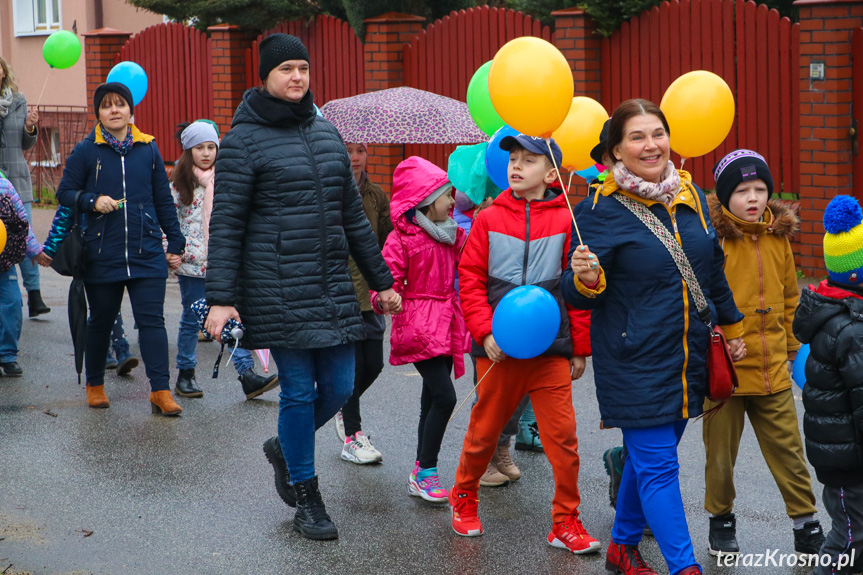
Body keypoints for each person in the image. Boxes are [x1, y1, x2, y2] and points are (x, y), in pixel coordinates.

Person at [204, 34, 399, 541]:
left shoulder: (327, 132)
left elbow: (353, 216)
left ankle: (284, 448)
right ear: (266, 75)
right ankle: (307, 496)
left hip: (331, 286)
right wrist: (222, 298)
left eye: (303, 68)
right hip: (275, 287)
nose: (297, 77)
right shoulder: (243, 141)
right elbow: (225, 224)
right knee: (297, 391)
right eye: (287, 68)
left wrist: (382, 281)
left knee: (338, 386)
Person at [561, 99, 745, 575]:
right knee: (660, 466)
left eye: (657, 134)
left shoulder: (692, 197)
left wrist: (732, 326)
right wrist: (584, 277)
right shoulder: (598, 210)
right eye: (637, 137)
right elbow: (578, 294)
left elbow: (712, 271)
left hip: (688, 355)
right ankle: (685, 568)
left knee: (647, 461)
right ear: (616, 151)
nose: (651, 145)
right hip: (633, 358)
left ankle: (622, 545)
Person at [451, 134, 598, 555]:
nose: (516, 166)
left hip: (551, 350)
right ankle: (463, 497)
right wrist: (484, 333)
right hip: (498, 349)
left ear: (552, 174)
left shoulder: (568, 220)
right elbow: (470, 280)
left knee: (563, 438)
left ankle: (565, 521)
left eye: (528, 160)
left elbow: (577, 290)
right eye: (513, 159)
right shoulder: (488, 218)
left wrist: (579, 348)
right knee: (484, 432)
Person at [702, 149, 825, 557]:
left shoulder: (778, 239)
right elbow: (700, 300)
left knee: (790, 450)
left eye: (759, 188)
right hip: (727, 372)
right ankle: (720, 519)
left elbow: (791, 297)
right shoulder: (712, 241)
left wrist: (793, 351)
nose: (752, 197)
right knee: (720, 456)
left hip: (773, 369)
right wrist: (718, 337)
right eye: (741, 190)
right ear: (725, 197)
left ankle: (805, 523)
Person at [55, 82, 185, 415]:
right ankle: (95, 385)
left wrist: (176, 239)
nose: (115, 110)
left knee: (153, 323)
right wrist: (91, 200)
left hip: (146, 251)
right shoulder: (87, 150)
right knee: (101, 321)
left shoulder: (148, 148)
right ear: (98, 113)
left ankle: (160, 391)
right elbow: (65, 192)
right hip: (102, 252)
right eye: (107, 106)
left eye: (120, 104)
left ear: (130, 110)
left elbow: (162, 199)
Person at [370, 156, 469, 502]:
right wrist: (387, 298)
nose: (453, 201)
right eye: (447, 196)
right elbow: (384, 279)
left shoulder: (451, 234)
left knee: (432, 396)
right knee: (445, 397)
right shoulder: (402, 238)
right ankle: (426, 469)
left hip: (446, 322)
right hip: (418, 324)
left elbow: (471, 262)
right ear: (427, 201)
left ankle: (420, 470)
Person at [168, 120, 278, 400]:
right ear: (188, 151)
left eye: (211, 147)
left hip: (223, 261)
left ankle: (247, 374)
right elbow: (168, 221)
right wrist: (169, 248)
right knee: (193, 319)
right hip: (193, 264)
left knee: (229, 316)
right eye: (199, 148)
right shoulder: (180, 184)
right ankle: (186, 373)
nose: (206, 153)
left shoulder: (227, 178)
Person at [793, 195, 863, 575]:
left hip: (844, 452)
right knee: (851, 537)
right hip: (847, 459)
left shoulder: (844, 315)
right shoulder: (850, 329)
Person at [334, 141, 393, 464]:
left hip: (369, 292)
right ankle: (353, 435)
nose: (354, 158)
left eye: (360, 151)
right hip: (341, 292)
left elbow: (387, 239)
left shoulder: (376, 195)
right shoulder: (329, 191)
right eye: (347, 151)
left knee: (374, 363)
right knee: (353, 364)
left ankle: (344, 406)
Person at [37, 206, 139, 375]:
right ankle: (107, 351)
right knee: (100, 304)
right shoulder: (81, 181)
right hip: (88, 249)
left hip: (113, 247)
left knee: (111, 302)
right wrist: (50, 248)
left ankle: (121, 350)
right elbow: (66, 212)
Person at [0, 56, 48, 318]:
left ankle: (35, 294)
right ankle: (7, 295)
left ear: (3, 71)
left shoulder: (18, 101)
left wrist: (30, 126)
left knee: (25, 236)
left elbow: (26, 144)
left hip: (17, 179)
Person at [0, 170, 43, 376]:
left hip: (3, 261)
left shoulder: (5, 185)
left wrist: (35, 251)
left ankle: (7, 355)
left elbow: (22, 222)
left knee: (12, 303)